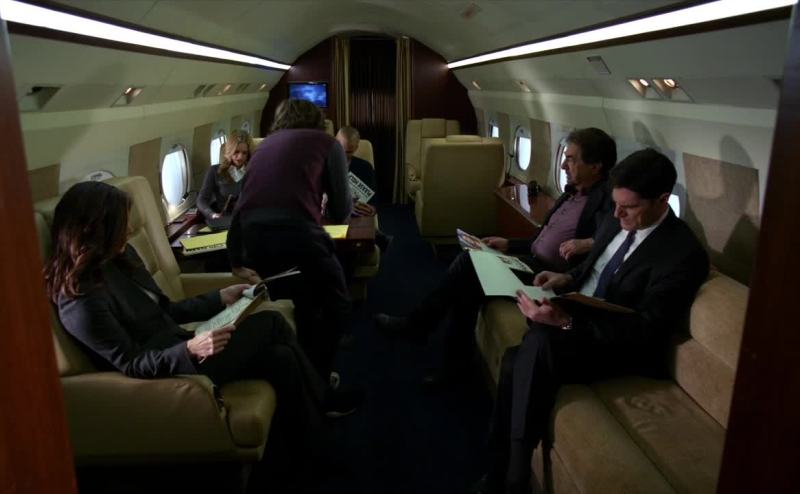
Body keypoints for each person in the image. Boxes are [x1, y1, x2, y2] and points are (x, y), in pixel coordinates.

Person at [45, 181, 337, 484]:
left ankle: (309, 455)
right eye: (121, 223)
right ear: (97, 230)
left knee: (281, 359)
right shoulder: (81, 299)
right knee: (271, 323)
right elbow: (132, 363)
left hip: (182, 344)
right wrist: (189, 350)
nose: (129, 229)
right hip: (171, 371)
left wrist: (219, 298)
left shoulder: (121, 259)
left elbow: (166, 311)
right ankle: (326, 401)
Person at [478, 149, 710, 494]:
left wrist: (566, 324)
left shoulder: (682, 254)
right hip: (580, 315)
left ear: (663, 200)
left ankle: (510, 474)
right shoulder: (616, 220)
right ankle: (508, 469)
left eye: (628, 207)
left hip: (620, 346)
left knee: (531, 348)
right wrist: (566, 279)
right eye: (615, 204)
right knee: (522, 355)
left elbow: (646, 331)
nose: (617, 214)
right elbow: (592, 269)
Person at [375, 127, 617, 383]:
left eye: (571, 159)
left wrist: (589, 242)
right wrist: (509, 243)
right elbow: (540, 240)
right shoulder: (569, 194)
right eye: (564, 158)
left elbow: (615, 234)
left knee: (467, 264)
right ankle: (451, 362)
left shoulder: (607, 200)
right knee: (468, 282)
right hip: (531, 261)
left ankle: (420, 328)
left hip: (550, 277)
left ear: (596, 166)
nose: (564, 166)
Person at [227, 99, 354, 393]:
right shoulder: (327, 144)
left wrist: (235, 262)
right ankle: (320, 387)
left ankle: (301, 375)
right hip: (299, 236)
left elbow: (241, 207)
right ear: (317, 120)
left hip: (254, 242)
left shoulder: (263, 148)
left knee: (302, 303)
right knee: (338, 306)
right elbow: (341, 209)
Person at [335, 125, 392, 255]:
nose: (343, 155)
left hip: (356, 216)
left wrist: (372, 209)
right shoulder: (324, 163)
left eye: (348, 152)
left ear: (356, 147)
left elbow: (373, 199)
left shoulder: (365, 168)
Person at [197, 129, 255, 221]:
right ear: (230, 151)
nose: (240, 157)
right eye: (236, 152)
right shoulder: (215, 171)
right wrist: (211, 214)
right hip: (225, 219)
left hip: (249, 218)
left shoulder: (254, 171)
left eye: (244, 153)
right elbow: (202, 200)